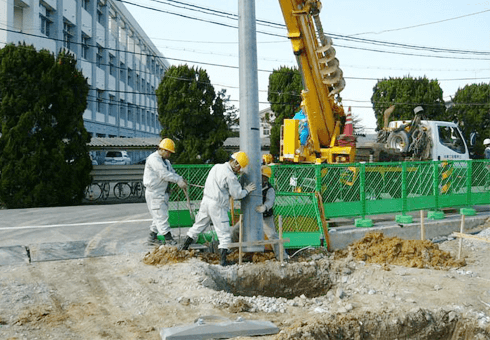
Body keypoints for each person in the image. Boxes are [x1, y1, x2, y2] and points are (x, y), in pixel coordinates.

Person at [180, 151, 256, 266]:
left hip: (206, 201)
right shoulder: (230, 176)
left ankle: (183, 247)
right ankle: (223, 260)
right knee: (224, 233)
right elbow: (237, 195)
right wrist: (247, 190)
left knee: (198, 225)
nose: (239, 170)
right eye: (239, 167)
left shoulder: (217, 167)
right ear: (236, 164)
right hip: (218, 205)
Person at [231, 165, 289, 261]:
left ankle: (283, 257)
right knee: (235, 231)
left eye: (265, 177)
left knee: (272, 235)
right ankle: (233, 252)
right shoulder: (251, 185)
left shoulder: (269, 189)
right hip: (250, 215)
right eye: (262, 176)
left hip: (264, 217)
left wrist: (265, 207)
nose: (263, 179)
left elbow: (270, 201)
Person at [143, 138, 187, 246]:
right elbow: (164, 174)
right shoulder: (154, 159)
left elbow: (172, 172)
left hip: (161, 192)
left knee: (157, 216)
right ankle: (168, 239)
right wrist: (177, 180)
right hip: (155, 193)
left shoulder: (165, 161)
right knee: (161, 216)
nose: (170, 155)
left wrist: (180, 178)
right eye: (169, 152)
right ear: (163, 150)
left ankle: (151, 237)